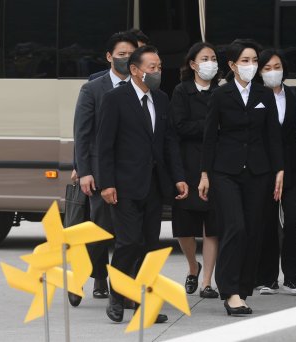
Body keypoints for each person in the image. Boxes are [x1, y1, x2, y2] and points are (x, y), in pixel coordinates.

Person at [97, 45, 189, 322]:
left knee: (150, 245)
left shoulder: (161, 99)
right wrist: (107, 183)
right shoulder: (115, 99)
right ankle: (117, 295)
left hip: (154, 185)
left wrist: (179, 177)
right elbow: (105, 145)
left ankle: (141, 302)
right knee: (129, 242)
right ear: (135, 70)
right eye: (152, 67)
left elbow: (169, 141)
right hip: (123, 185)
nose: (158, 71)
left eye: (160, 67)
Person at [198, 39, 284, 315]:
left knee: (253, 230)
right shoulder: (220, 96)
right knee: (235, 227)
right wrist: (204, 174)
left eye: (254, 60)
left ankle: (243, 291)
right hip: (225, 171)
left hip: (259, 172)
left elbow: (273, 136)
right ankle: (230, 290)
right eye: (244, 61)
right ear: (232, 65)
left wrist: (279, 169)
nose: (251, 65)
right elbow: (209, 137)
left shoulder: (264, 95)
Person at [71, 31, 138, 307]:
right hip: (100, 172)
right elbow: (82, 133)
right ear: (109, 57)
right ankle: (78, 275)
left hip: (132, 172)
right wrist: (84, 170)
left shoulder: (141, 87)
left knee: (129, 235)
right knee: (100, 229)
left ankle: (120, 288)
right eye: (120, 54)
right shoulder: (93, 88)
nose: (125, 59)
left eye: (130, 55)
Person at [169, 42, 220, 299]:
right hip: (187, 165)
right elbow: (180, 126)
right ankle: (193, 266)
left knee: (212, 227)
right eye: (204, 58)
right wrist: (211, 127)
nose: (210, 62)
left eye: (213, 58)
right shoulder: (181, 91)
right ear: (192, 64)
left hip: (215, 166)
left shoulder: (222, 92)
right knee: (184, 228)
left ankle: (207, 281)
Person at [254, 50, 296, 295]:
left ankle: (293, 277)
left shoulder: (295, 96)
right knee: (266, 222)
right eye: (267, 68)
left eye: (277, 66)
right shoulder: (255, 97)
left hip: (293, 169)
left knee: (294, 220)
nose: (273, 71)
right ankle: (267, 277)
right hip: (264, 169)